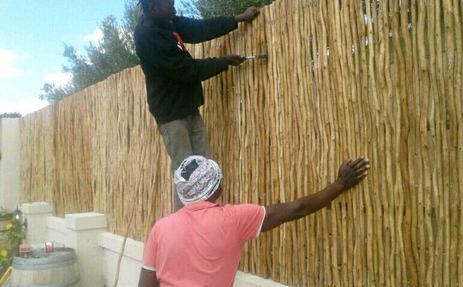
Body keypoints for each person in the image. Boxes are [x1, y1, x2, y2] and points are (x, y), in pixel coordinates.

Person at [138, 155, 371, 287]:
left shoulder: (160, 228)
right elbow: (296, 209)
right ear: (217, 187)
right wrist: (340, 184)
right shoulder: (233, 219)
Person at [134, 0, 260, 210]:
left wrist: (237, 19)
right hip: (171, 116)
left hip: (188, 108)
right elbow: (185, 70)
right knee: (185, 173)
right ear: (154, 8)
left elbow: (199, 28)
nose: (173, 8)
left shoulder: (167, 22)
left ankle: (204, 221)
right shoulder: (147, 38)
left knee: (204, 169)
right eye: (169, 5)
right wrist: (223, 62)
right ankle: (182, 231)